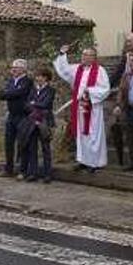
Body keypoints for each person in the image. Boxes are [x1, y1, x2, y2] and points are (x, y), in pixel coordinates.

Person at [53, 44, 111, 173]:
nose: (84, 57)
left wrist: (89, 92)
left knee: (93, 135)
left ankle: (95, 162)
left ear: (94, 57)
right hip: (79, 107)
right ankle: (83, 160)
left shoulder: (100, 70)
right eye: (83, 55)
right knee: (82, 134)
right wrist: (62, 54)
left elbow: (105, 89)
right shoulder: (77, 69)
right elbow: (64, 70)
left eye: (87, 55)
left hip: (93, 108)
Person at [0, 59, 34, 178]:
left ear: (23, 69)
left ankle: (23, 169)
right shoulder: (11, 81)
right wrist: (11, 93)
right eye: (13, 67)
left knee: (22, 143)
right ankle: (8, 168)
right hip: (11, 115)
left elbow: (20, 93)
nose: (13, 69)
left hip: (23, 115)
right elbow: (2, 94)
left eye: (16, 67)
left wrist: (10, 93)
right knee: (8, 142)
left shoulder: (27, 81)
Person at [21, 67, 56, 183]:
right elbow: (26, 105)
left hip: (44, 121)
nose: (37, 78)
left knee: (45, 148)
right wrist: (34, 105)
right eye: (37, 76)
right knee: (32, 148)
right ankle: (33, 173)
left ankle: (47, 174)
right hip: (32, 121)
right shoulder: (33, 90)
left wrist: (34, 103)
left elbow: (46, 104)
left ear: (45, 78)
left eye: (40, 76)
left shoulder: (50, 90)